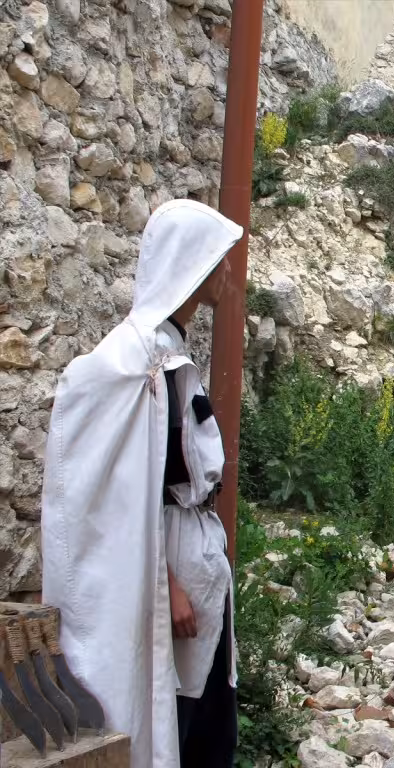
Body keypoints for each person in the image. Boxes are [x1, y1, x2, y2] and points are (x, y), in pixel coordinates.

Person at [41, 199, 244, 768]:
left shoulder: (168, 355)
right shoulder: (130, 362)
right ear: (194, 265)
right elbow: (129, 492)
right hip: (165, 560)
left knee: (209, 708)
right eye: (218, 258)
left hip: (198, 551)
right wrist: (169, 585)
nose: (227, 270)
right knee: (176, 702)